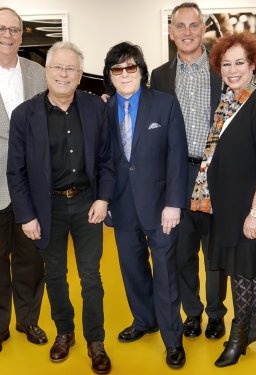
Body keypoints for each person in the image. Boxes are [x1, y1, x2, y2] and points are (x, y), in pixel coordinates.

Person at [7, 41, 115, 374]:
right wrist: (26, 215)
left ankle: (96, 340)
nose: (63, 74)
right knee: (55, 275)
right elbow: (16, 170)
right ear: (47, 72)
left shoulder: (96, 108)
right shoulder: (25, 115)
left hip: (87, 204)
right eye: (57, 68)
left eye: (70, 69)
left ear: (80, 75)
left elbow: (108, 159)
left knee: (91, 277)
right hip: (46, 207)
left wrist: (103, 198)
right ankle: (64, 333)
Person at [103, 42, 188, 368]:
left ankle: (172, 339)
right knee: (132, 270)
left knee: (165, 275)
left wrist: (173, 204)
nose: (125, 74)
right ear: (110, 75)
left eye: (130, 67)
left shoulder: (164, 105)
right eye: (117, 69)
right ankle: (144, 320)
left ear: (141, 70)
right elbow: (102, 161)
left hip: (160, 208)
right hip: (122, 208)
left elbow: (177, 157)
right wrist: (105, 200)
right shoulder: (105, 110)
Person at [191, 32, 256, 367]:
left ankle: (238, 337)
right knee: (243, 271)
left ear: (253, 63)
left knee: (244, 271)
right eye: (226, 63)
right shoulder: (229, 100)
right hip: (227, 205)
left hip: (250, 205)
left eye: (240, 62)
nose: (233, 69)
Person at [150, 2, 227, 339]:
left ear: (203, 29)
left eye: (193, 25)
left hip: (217, 174)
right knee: (182, 253)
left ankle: (216, 314)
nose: (186, 32)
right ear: (171, 32)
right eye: (179, 26)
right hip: (178, 176)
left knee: (215, 253)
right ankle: (192, 313)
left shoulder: (222, 69)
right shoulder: (160, 76)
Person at [0, 7, 47, 352]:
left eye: (14, 30)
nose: (8, 35)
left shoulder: (37, 72)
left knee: (31, 258)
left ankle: (28, 319)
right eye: (2, 29)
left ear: (21, 35)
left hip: (31, 184)